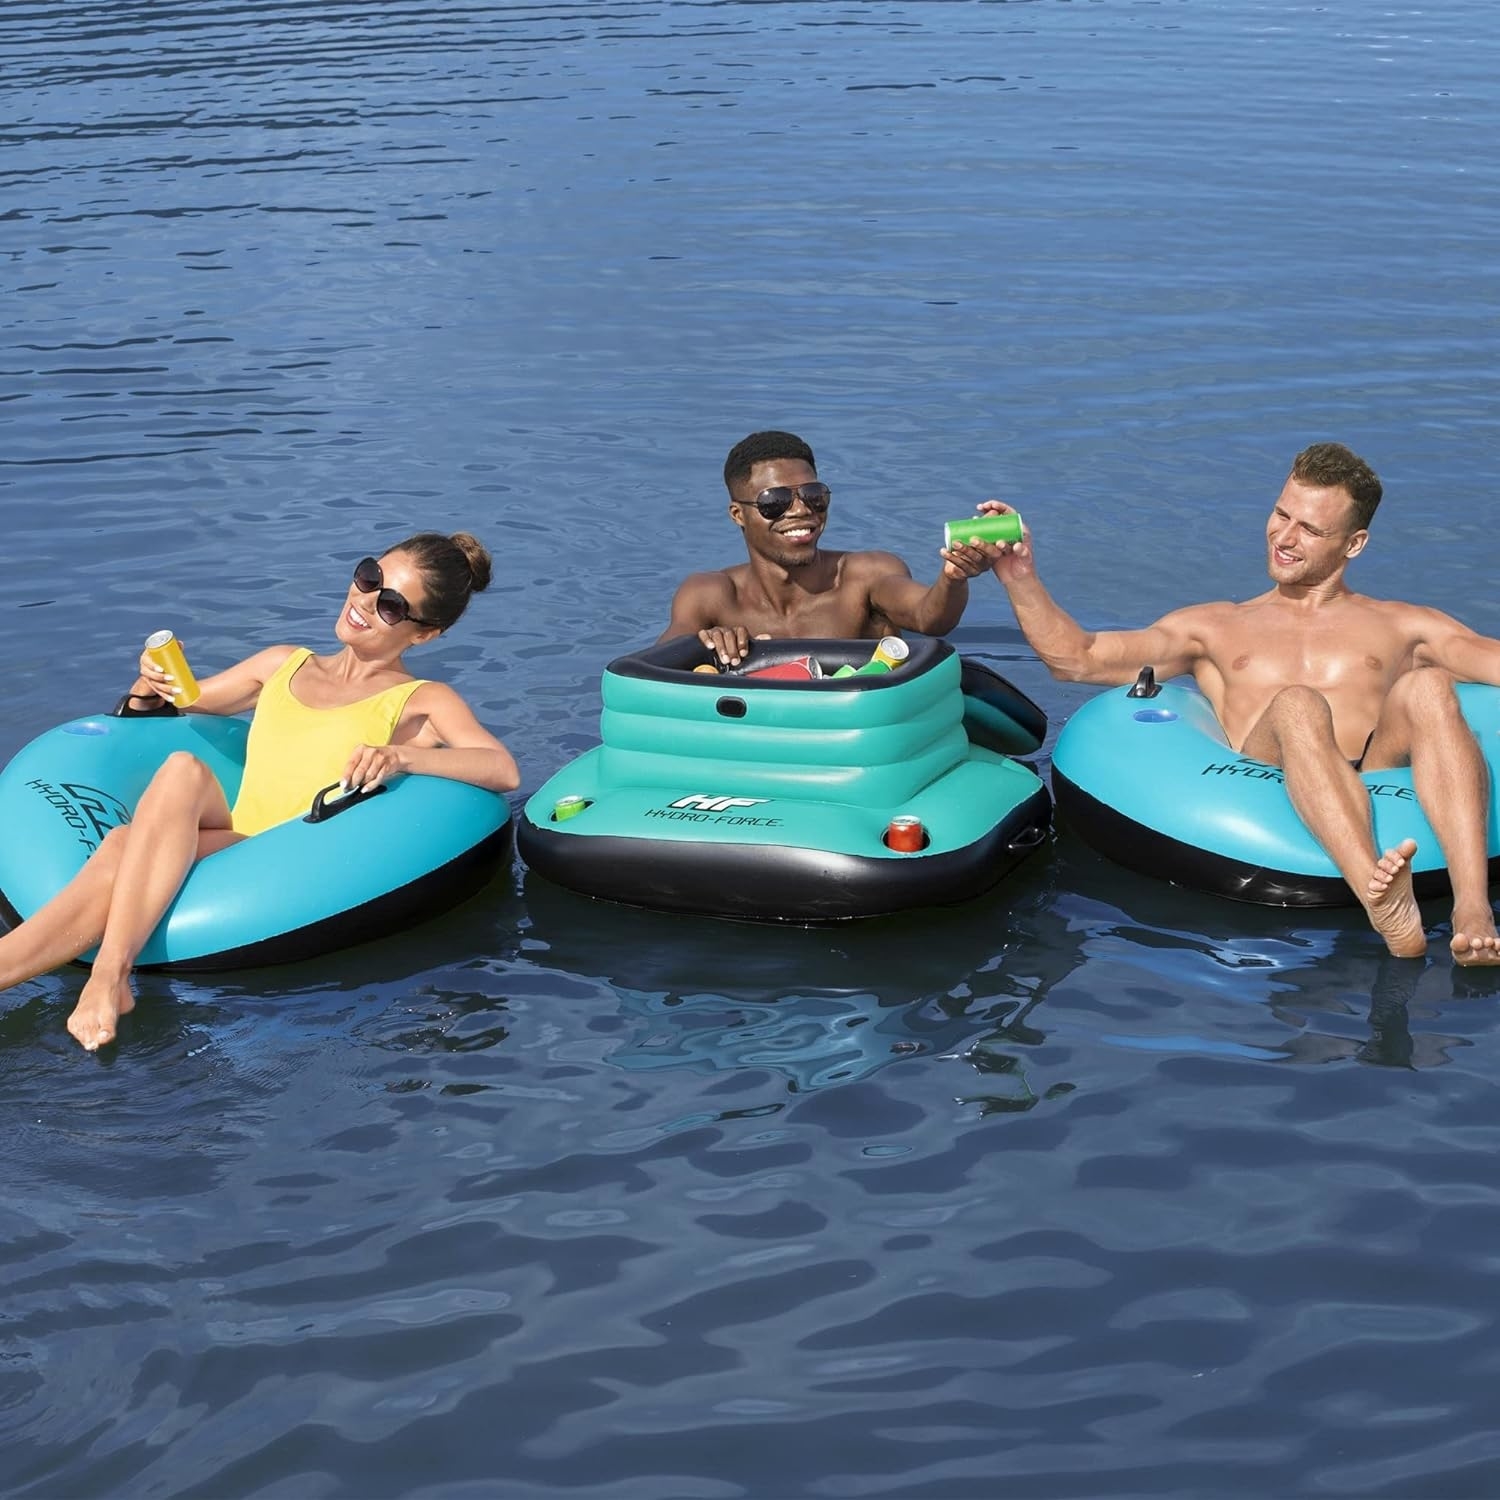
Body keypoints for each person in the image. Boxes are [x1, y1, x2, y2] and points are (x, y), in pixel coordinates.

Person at [982, 442, 1500, 966]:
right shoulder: (1214, 627)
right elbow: (1078, 658)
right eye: (1281, 515)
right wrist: (1019, 576)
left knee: (1431, 688)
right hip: (1265, 773)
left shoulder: (1406, 626)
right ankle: (1379, 896)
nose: (1285, 539)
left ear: (1354, 544)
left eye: (1311, 530)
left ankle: (1473, 909)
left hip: (1375, 768)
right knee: (1298, 703)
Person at [0, 532, 521, 1051]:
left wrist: (404, 755)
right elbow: (192, 701)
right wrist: (151, 683)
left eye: (390, 605)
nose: (363, 601)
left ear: (423, 634)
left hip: (285, 861)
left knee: (123, 845)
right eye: (369, 577)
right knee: (168, 784)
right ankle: (87, 977)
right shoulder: (283, 663)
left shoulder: (420, 699)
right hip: (234, 836)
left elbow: (501, 770)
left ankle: (109, 975)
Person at [660, 430, 999, 665]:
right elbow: (651, 668)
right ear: (739, 514)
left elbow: (930, 617)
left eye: (813, 495)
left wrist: (953, 578)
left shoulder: (866, 576)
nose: (801, 510)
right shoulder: (709, 595)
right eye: (774, 501)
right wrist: (702, 644)